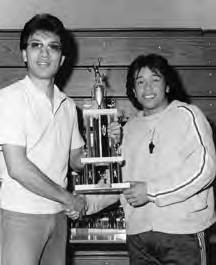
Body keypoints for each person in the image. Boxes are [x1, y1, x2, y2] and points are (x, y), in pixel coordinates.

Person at [84, 54, 216, 265]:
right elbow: (118, 180)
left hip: (183, 235)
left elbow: (204, 169)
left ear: (167, 86)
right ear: (133, 91)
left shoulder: (188, 115)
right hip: (139, 239)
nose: (148, 88)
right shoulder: (128, 129)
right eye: (140, 82)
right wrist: (85, 203)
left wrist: (151, 191)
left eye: (155, 79)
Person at [0, 13, 86, 265]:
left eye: (53, 47)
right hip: (20, 214)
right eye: (36, 45)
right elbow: (18, 168)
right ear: (24, 54)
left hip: (58, 217)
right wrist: (68, 198)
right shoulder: (9, 99)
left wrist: (105, 138)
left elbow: (76, 159)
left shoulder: (68, 105)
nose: (44, 54)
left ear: (62, 59)